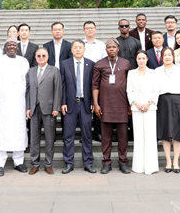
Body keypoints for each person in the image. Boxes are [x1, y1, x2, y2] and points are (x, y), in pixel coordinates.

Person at [92, 39, 133, 174]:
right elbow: (95, 85)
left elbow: (131, 84)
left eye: (114, 47)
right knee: (106, 137)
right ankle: (106, 163)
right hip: (105, 106)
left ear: (118, 49)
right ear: (106, 49)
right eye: (109, 47)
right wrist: (96, 104)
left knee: (123, 137)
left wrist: (130, 103)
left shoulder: (126, 63)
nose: (111, 49)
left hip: (122, 105)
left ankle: (123, 162)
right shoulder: (99, 64)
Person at [0, 37, 30, 176]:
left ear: (17, 48)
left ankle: (18, 162)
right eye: (9, 45)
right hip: (2, 104)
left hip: (19, 103)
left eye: (14, 45)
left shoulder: (24, 61)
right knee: (1, 131)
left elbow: (27, 80)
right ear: (5, 47)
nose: (12, 47)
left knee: (19, 131)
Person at [60, 40, 96, 174]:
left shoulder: (91, 64)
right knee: (68, 136)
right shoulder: (64, 64)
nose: (78, 50)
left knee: (87, 135)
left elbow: (93, 85)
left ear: (84, 50)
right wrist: (63, 102)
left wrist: (92, 102)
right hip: (70, 105)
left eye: (80, 47)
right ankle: (69, 163)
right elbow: (62, 85)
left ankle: (88, 163)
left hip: (85, 104)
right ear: (71, 50)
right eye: (75, 47)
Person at [26, 48, 63, 174]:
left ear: (48, 57)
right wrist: (28, 107)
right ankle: (35, 164)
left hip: (49, 109)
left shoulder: (54, 70)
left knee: (49, 138)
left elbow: (58, 89)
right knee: (34, 138)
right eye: (38, 56)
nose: (41, 57)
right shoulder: (31, 71)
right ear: (35, 57)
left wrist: (56, 107)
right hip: (34, 109)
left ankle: (48, 164)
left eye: (43, 55)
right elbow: (28, 90)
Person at [154, 47, 180, 173]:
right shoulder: (157, 71)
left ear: (173, 57)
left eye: (169, 55)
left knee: (177, 131)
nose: (167, 57)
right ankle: (168, 161)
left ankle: (176, 161)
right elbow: (155, 89)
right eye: (165, 55)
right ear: (161, 57)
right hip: (162, 102)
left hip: (177, 101)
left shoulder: (179, 70)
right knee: (165, 132)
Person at [127, 50, 159, 175]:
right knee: (139, 137)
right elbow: (129, 90)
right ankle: (138, 166)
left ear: (147, 59)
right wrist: (136, 103)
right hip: (136, 108)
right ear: (136, 59)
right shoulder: (131, 73)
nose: (141, 60)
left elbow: (156, 90)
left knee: (150, 137)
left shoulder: (153, 73)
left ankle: (150, 167)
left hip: (150, 107)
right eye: (139, 58)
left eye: (143, 58)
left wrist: (149, 103)